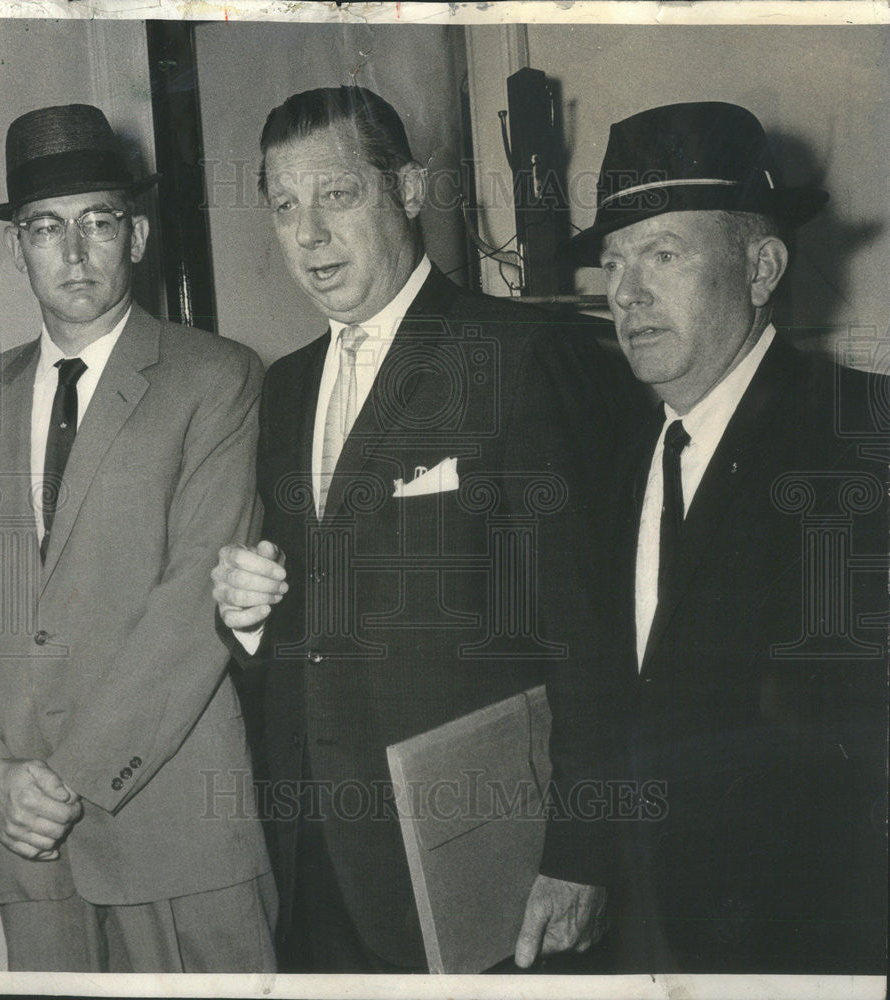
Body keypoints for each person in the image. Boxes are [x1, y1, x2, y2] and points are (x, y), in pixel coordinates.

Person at [211, 85, 637, 972]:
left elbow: (592, 636)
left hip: (486, 866)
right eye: (285, 207)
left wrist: (582, 856)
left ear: (406, 191)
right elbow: (310, 629)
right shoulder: (284, 388)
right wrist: (248, 620)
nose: (309, 236)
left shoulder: (519, 357)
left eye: (336, 196)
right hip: (320, 868)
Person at [524, 101, 888, 973]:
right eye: (613, 263)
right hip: (647, 932)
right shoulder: (620, 456)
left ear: (761, 265)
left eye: (662, 255)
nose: (625, 294)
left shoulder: (861, 436)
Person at [0, 103, 277, 973]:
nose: (73, 251)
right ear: (16, 246)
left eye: (97, 221)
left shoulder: (216, 378)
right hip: (25, 846)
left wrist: (68, 782)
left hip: (174, 831)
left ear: (134, 235)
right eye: (45, 227)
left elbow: (194, 605)